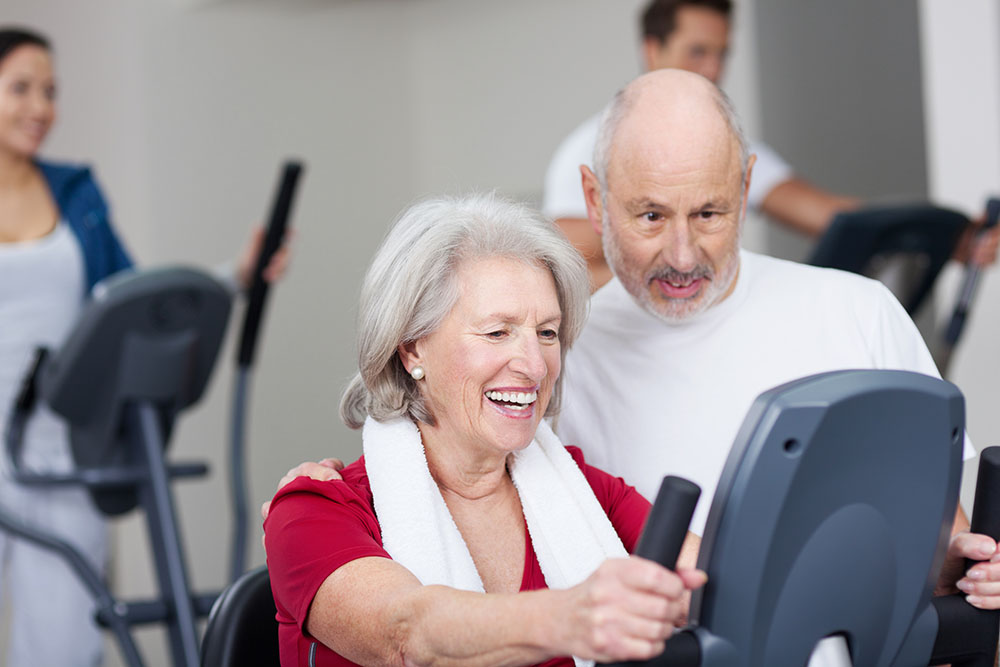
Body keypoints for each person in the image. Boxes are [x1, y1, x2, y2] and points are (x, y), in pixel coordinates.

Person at [557, 68, 1000, 603]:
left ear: (745, 190)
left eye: (708, 213)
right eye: (651, 216)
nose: (681, 255)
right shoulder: (556, 361)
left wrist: (964, 570)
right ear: (595, 199)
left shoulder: (859, 313)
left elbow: (941, 540)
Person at [263, 193, 707, 666]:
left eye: (548, 333)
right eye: (498, 332)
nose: (535, 366)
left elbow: (726, 580)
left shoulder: (585, 492)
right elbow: (406, 635)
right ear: (412, 349)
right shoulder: (314, 511)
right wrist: (568, 618)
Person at [0, 26, 289, 666]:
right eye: (21, 88)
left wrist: (233, 277)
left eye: (50, 90)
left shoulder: (74, 192)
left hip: (58, 452)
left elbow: (132, 301)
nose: (41, 107)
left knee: (63, 645)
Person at [543, 0, 999, 291]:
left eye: (722, 54)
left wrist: (945, 235)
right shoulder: (591, 147)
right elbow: (568, 264)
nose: (713, 69)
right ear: (652, 49)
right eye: (697, 51)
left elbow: (834, 216)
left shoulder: (731, 146)